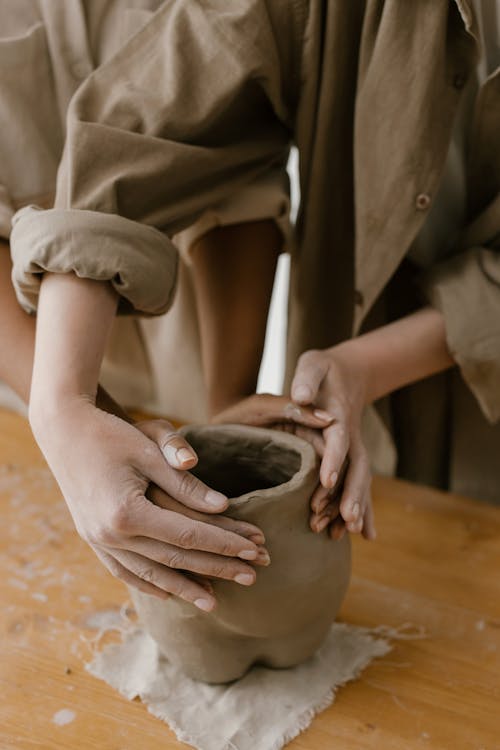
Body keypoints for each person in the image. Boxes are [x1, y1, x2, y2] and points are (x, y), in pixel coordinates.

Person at [7, 1, 500, 599]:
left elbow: (237, 185)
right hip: (70, 356)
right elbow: (163, 116)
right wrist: (62, 406)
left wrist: (367, 364)